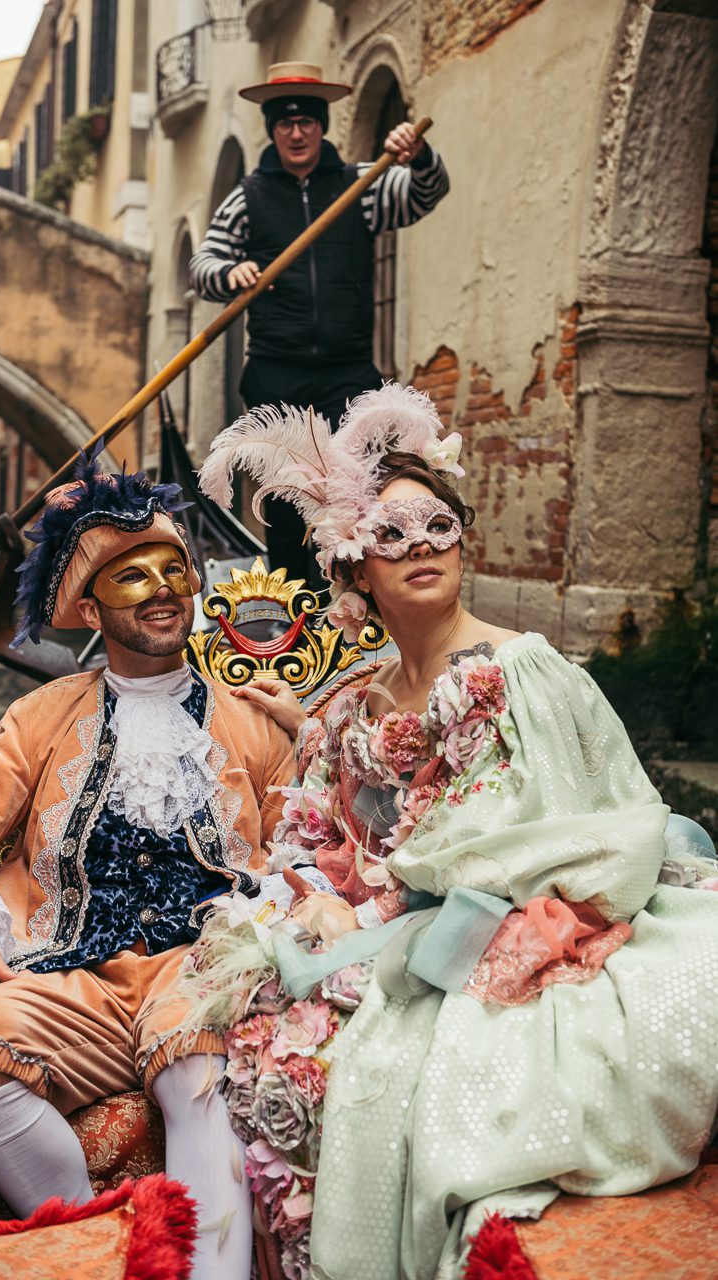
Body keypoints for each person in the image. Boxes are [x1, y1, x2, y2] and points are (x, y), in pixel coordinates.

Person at [178, 382, 718, 1279]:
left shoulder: (521, 670)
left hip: (501, 914)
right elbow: (314, 832)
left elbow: (533, 824)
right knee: (249, 1025)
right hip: (379, 926)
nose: (422, 547)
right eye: (390, 537)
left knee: (378, 1053)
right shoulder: (350, 702)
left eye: (438, 527)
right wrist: (317, 896)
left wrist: (374, 909)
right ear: (352, 568)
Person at [0, 457, 298, 1280]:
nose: (164, 589)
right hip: (78, 973)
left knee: (197, 1060)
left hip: (203, 962)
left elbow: (306, 847)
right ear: (92, 608)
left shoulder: (252, 715)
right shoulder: (41, 715)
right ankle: (96, 1252)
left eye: (174, 570)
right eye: (132, 578)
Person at [190, 61, 450, 584]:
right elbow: (203, 268)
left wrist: (419, 157)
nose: (296, 132)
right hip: (275, 372)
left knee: (360, 496)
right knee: (288, 507)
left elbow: (425, 193)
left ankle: (358, 610)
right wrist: (231, 270)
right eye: (284, 123)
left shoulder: (361, 185)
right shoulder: (248, 196)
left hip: (347, 373)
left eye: (306, 121)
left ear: (321, 125)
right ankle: (297, 623)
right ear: (273, 130)